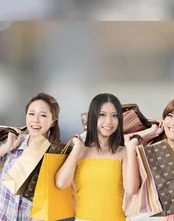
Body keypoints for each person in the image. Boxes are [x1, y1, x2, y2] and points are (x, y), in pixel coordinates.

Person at [0, 93, 61, 220]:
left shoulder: (56, 155)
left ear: (53, 121)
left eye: (43, 115)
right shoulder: (16, 142)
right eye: (31, 114)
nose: (36, 120)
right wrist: (6, 148)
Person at [55, 93, 140, 221]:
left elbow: (131, 189)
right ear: (93, 117)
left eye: (114, 115)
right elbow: (61, 183)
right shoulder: (79, 150)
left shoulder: (124, 151)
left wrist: (131, 147)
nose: (109, 121)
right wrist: (77, 149)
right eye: (102, 115)